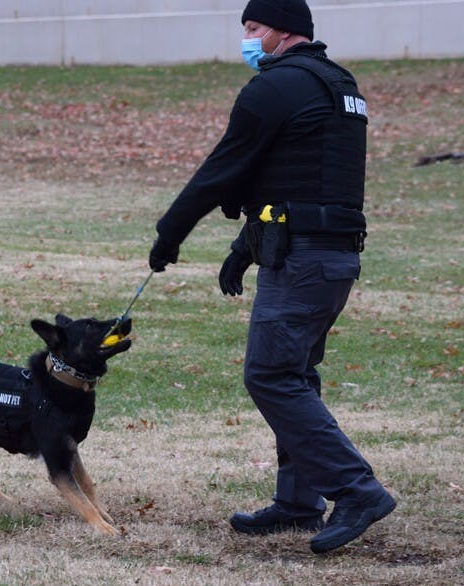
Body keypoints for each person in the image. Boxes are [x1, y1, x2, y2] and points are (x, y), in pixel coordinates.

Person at [147, 0, 395, 554]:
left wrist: (170, 233)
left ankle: (357, 491)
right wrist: (246, 246)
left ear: (284, 30)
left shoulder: (276, 87)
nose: (247, 39)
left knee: (271, 375)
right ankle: (298, 502)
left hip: (304, 262)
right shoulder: (338, 84)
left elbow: (223, 169)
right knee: (296, 374)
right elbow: (302, 181)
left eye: (253, 28)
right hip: (330, 256)